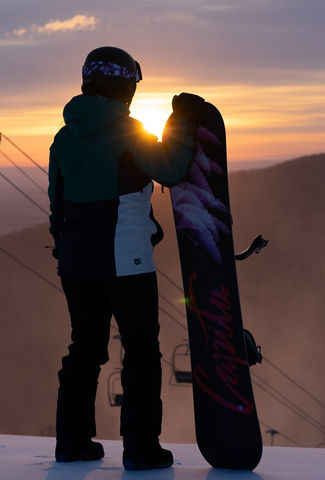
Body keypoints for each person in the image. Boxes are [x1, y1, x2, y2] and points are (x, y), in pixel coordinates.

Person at [48, 46, 198, 470]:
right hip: (125, 260)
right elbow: (171, 168)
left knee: (85, 348)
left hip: (75, 262)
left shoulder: (63, 139)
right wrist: (182, 123)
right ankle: (141, 449)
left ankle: (72, 443)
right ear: (127, 86)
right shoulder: (129, 133)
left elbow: (56, 201)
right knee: (141, 351)